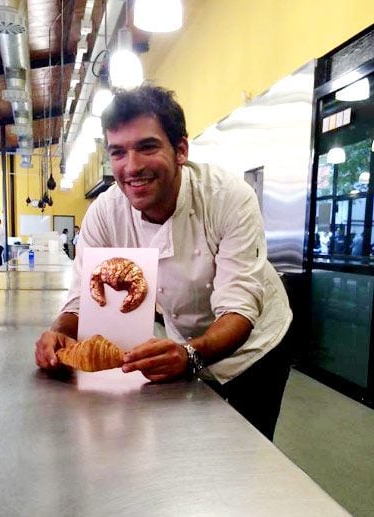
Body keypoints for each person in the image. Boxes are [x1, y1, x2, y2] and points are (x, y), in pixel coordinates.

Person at [35, 85, 292, 440]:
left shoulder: (228, 199)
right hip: (183, 340)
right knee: (190, 442)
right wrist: (59, 332)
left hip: (256, 348)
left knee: (247, 452)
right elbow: (84, 295)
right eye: (118, 152)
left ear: (181, 150)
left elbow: (239, 309)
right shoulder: (106, 214)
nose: (132, 167)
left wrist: (190, 354)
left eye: (147, 147)